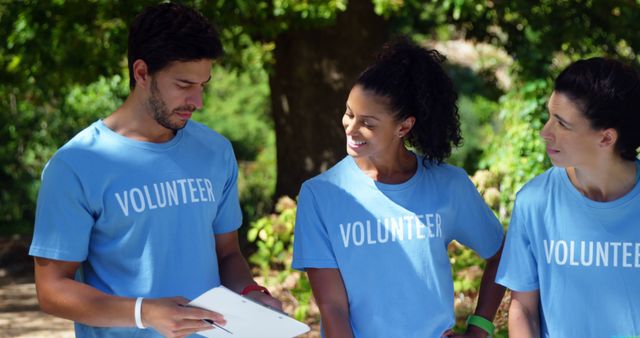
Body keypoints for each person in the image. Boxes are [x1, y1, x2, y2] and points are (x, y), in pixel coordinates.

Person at [29, 3, 281, 337]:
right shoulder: (75, 166)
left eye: (202, 85)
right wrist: (143, 313)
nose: (198, 101)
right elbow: (52, 291)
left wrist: (251, 295)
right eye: (183, 84)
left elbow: (228, 255)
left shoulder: (216, 151)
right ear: (142, 73)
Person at [291, 38, 506, 337]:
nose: (351, 129)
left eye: (368, 122)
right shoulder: (321, 195)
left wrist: (479, 328)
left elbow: (502, 253)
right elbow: (332, 307)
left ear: (403, 127)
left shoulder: (449, 185)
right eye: (349, 114)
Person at [496, 57, 640, 337]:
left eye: (562, 124)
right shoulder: (534, 202)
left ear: (606, 138)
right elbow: (523, 309)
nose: (545, 132)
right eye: (549, 116)